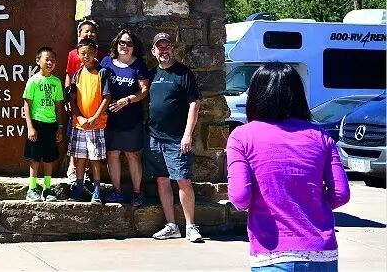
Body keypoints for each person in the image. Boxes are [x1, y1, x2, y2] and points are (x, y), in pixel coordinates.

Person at [227, 63, 350, 271]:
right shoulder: (320, 136)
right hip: (322, 254)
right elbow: (341, 194)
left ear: (255, 95)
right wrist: (311, 205)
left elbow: (240, 198)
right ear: (298, 95)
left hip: (272, 253)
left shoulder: (242, 137)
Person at [146, 32, 203, 242]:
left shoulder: (183, 73)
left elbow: (194, 104)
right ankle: (172, 225)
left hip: (177, 138)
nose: (164, 50)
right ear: (153, 51)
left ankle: (190, 227)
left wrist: (187, 134)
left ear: (172, 48)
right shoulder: (151, 74)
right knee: (162, 180)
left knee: (183, 180)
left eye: (167, 46)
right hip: (154, 137)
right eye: (159, 46)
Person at [100, 29, 150, 206]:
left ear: (134, 47)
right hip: (110, 118)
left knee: (132, 155)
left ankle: (137, 192)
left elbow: (144, 90)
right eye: (122, 42)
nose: (125, 46)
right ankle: (117, 191)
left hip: (131, 118)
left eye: (129, 43)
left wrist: (127, 100)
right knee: (112, 154)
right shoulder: (107, 62)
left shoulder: (138, 65)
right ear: (116, 43)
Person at [67, 38, 111, 203]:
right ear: (78, 54)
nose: (86, 56)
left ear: (95, 53)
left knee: (95, 158)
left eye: (89, 53)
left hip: (96, 124)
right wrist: (79, 117)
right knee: (80, 157)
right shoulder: (77, 74)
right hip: (80, 124)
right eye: (83, 53)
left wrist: (95, 117)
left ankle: (97, 189)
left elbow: (107, 97)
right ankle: (79, 187)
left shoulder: (102, 72)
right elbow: (72, 99)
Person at [63, 20, 107, 184]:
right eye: (85, 31)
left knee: (92, 141)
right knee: (75, 135)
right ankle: (72, 168)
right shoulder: (73, 54)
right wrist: (67, 96)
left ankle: (87, 173)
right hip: (77, 100)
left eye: (92, 31)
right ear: (79, 34)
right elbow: (69, 75)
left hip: (94, 102)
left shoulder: (102, 55)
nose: (89, 34)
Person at [22, 47, 65, 202]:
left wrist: (60, 127)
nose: (50, 63)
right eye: (47, 59)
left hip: (51, 124)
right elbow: (27, 104)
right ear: (38, 61)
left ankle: (47, 188)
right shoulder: (33, 81)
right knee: (34, 158)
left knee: (49, 158)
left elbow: (58, 106)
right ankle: (32, 188)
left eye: (53, 60)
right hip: (37, 123)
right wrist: (30, 127)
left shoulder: (56, 82)